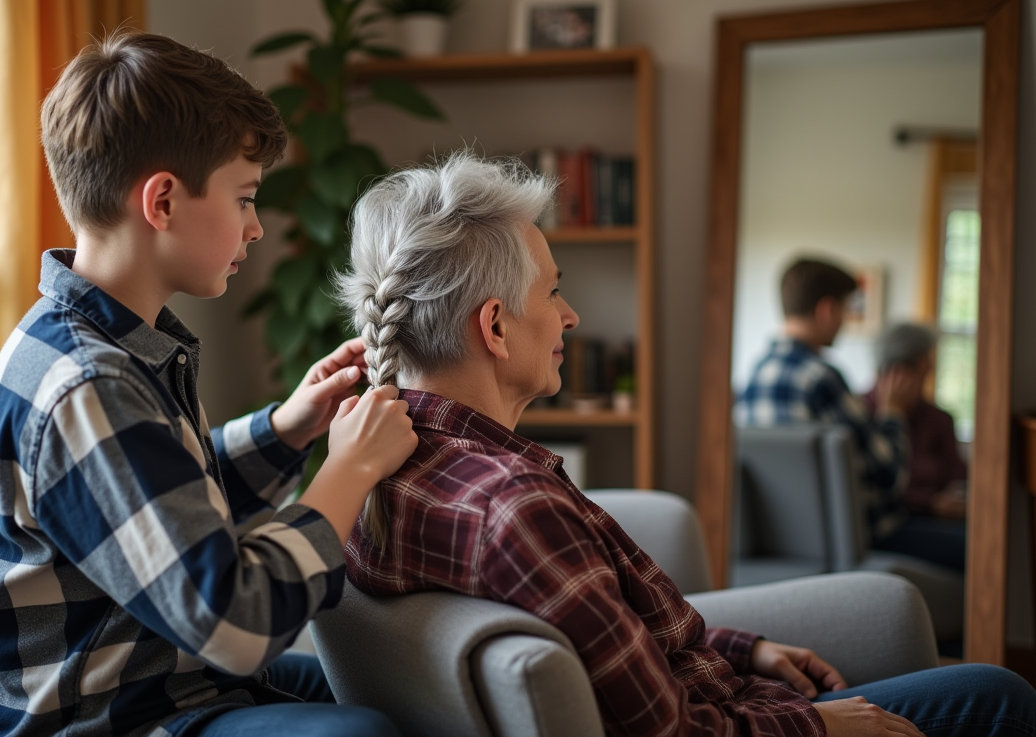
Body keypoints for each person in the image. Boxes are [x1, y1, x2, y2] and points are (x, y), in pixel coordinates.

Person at [335, 153, 1036, 736]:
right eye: (554, 293)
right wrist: (823, 727)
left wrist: (742, 647)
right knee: (996, 693)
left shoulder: (371, 466)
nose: (571, 317)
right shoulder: (513, 509)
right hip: (746, 726)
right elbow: (670, 732)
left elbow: (614, 643)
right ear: (495, 328)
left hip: (725, 688)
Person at [0, 32, 416, 737]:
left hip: (159, 672)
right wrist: (347, 472)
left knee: (398, 683)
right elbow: (232, 621)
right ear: (162, 201)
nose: (256, 228)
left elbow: (164, 514)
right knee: (362, 730)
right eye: (246, 198)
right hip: (109, 716)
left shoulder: (111, 342)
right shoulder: (87, 383)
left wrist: (290, 428)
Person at [733, 258, 922, 543]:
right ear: (827, 310)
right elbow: (888, 476)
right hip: (858, 539)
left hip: (788, 539)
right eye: (845, 310)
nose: (845, 322)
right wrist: (892, 413)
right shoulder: (823, 379)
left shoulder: (752, 376)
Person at [863, 323, 968, 572]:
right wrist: (929, 502)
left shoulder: (939, 419)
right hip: (893, 523)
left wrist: (956, 499)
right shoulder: (860, 415)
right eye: (927, 366)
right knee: (971, 545)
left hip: (940, 520)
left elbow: (958, 475)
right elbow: (874, 485)